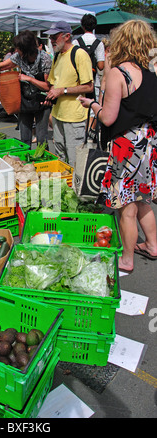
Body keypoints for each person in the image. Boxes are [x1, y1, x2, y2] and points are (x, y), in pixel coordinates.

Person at [79, 20, 157, 274]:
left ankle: (126, 259)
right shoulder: (151, 73)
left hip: (128, 145)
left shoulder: (118, 74)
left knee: (127, 207)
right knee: (143, 199)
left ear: (121, 41)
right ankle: (152, 245)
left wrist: (91, 105)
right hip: (150, 142)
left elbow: (108, 118)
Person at [0, 30, 52, 148]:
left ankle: (44, 164)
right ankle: (26, 162)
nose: (16, 51)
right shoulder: (19, 57)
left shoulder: (45, 58)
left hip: (42, 102)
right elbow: (0, 66)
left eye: (18, 48)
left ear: (26, 49)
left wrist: (30, 79)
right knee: (25, 138)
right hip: (25, 101)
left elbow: (48, 86)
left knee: (42, 139)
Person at [44, 21, 94, 166]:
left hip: (74, 117)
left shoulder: (79, 54)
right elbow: (53, 83)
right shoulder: (58, 56)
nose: (52, 40)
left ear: (66, 36)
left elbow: (89, 87)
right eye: (51, 37)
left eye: (55, 37)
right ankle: (65, 186)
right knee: (60, 155)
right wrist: (50, 96)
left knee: (74, 159)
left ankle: (77, 188)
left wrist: (63, 91)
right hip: (58, 115)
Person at [73, 14, 105, 100]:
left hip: (78, 82)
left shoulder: (76, 42)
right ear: (94, 26)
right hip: (94, 82)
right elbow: (101, 66)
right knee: (92, 107)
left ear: (82, 26)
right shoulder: (99, 43)